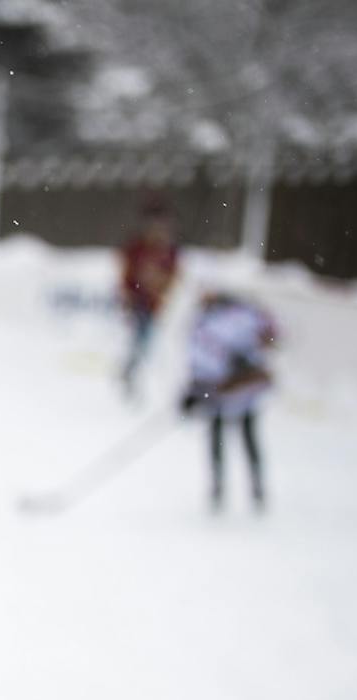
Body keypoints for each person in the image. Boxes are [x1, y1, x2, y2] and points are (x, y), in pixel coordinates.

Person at [181, 288, 279, 514]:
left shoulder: (239, 317)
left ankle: (252, 487)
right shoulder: (212, 321)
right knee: (226, 439)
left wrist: (247, 365)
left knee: (243, 438)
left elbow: (272, 337)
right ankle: (223, 486)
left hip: (239, 392)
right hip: (222, 393)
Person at [119, 201, 179, 400]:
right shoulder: (136, 249)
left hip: (157, 308)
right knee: (139, 343)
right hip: (139, 306)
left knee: (151, 346)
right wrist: (129, 298)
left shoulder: (170, 252)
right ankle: (132, 378)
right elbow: (127, 278)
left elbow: (172, 279)